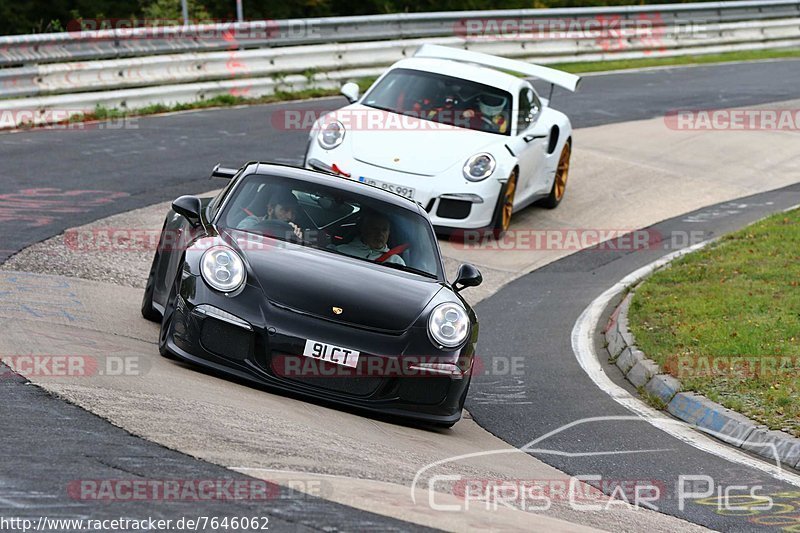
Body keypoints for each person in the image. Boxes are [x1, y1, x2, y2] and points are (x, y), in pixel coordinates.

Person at [335, 211, 406, 265]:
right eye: (375, 229)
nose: (380, 234)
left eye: (384, 230)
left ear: (389, 233)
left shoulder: (396, 262)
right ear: (364, 230)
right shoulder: (340, 251)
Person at [238, 188, 303, 239]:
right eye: (285, 210)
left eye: (294, 212)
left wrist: (296, 239)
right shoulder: (252, 222)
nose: (290, 216)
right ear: (270, 209)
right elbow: (238, 238)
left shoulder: (293, 233)